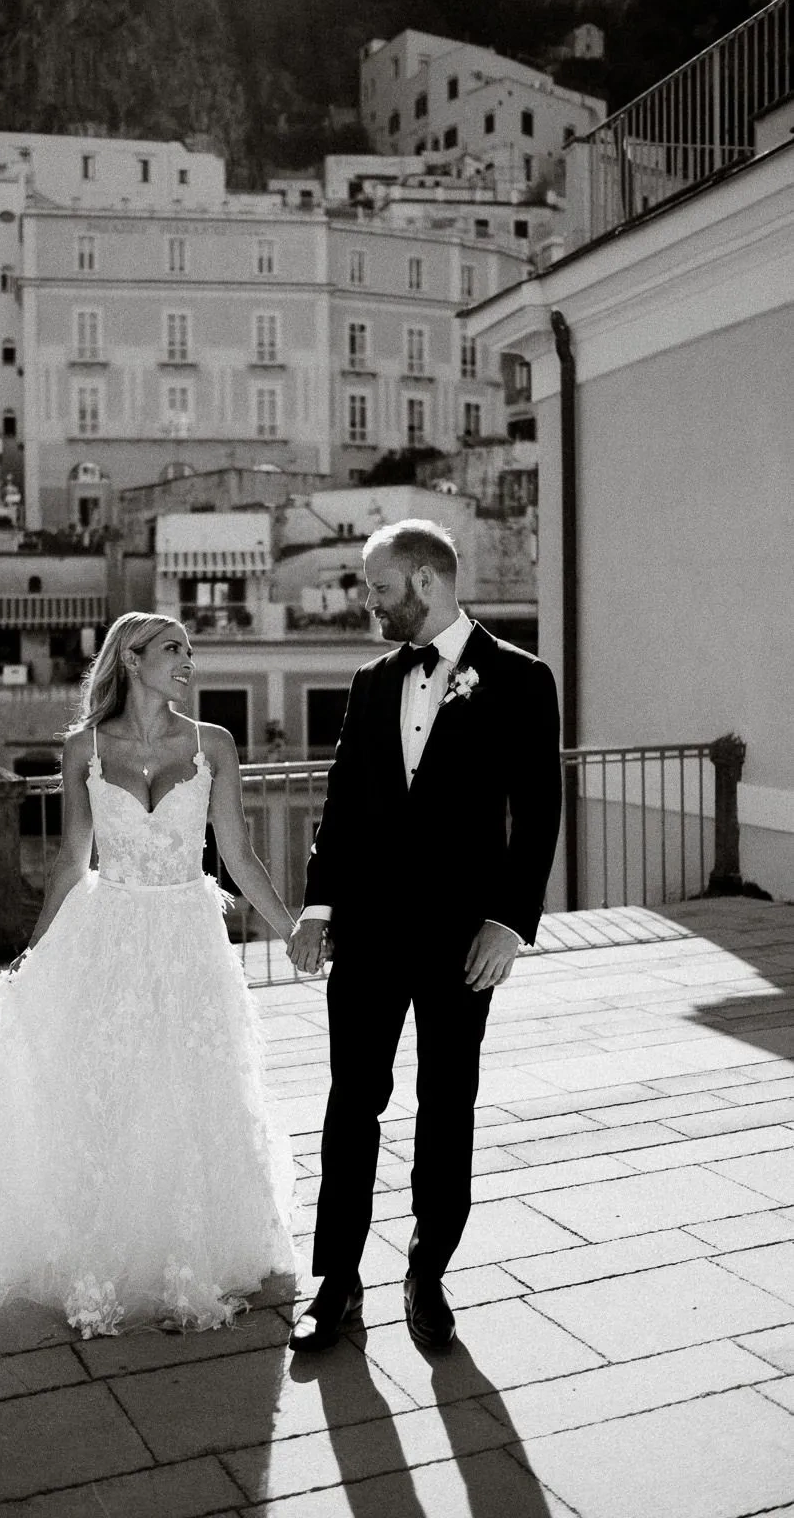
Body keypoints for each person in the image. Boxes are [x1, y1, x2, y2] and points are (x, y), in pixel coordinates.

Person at [0, 613, 297, 1337]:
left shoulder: (212, 743)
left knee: (193, 1086)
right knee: (114, 1092)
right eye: (172, 650)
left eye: (189, 650)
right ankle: (108, 1253)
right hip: (112, 935)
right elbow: (71, 862)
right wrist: (30, 955)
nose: (188, 661)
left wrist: (293, 931)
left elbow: (238, 856)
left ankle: (191, 1254)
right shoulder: (83, 749)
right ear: (131, 660)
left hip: (189, 935)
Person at [286, 520, 562, 1352]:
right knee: (352, 1103)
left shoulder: (520, 678)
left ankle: (427, 1269)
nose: (365, 603)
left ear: (426, 582)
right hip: (366, 934)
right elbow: (339, 804)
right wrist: (318, 905)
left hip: (459, 940)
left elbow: (539, 811)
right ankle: (334, 1278)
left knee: (447, 1104)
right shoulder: (371, 682)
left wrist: (509, 923)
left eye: (376, 588)